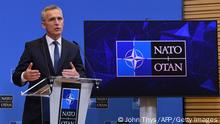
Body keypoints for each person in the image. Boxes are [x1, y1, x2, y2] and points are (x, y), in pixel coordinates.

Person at [12, 5, 85, 124]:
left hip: (65, 112)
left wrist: (77, 76)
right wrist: (24, 76)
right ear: (43, 24)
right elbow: (16, 76)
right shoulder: (32, 47)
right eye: (52, 19)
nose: (57, 23)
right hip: (37, 114)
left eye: (59, 19)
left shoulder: (73, 48)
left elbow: (83, 75)